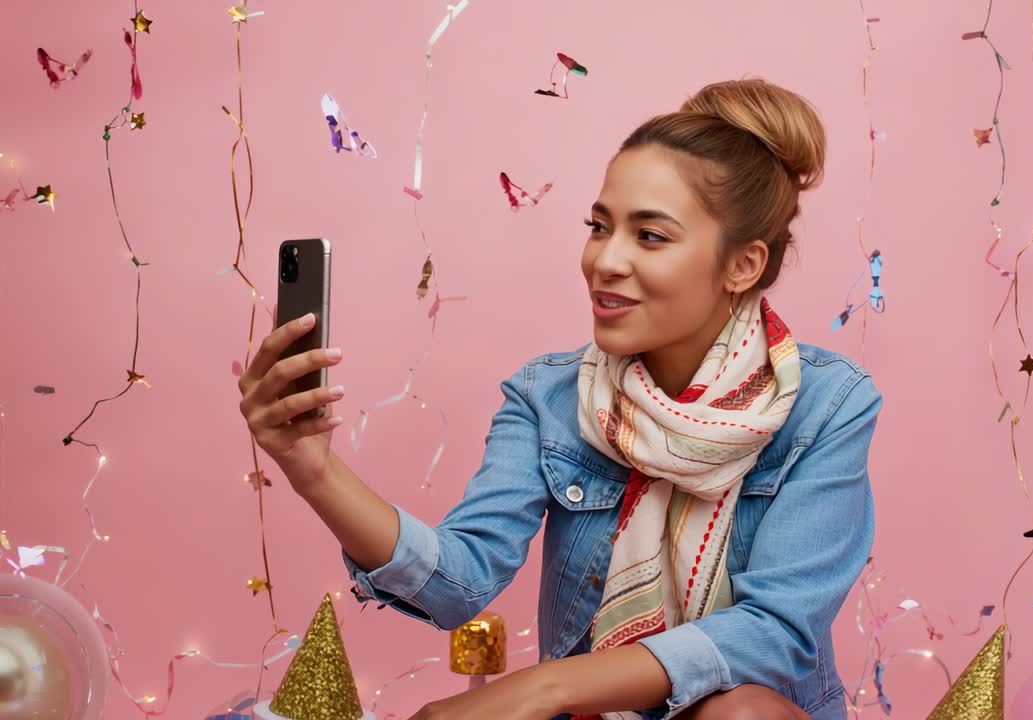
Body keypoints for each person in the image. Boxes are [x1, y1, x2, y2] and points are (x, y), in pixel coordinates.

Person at [237, 78, 882, 720]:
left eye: (649, 236)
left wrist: (549, 687)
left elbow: (775, 634)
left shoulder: (827, 406)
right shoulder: (548, 395)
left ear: (742, 265)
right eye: (599, 227)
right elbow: (460, 580)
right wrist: (314, 471)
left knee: (739, 715)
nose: (605, 260)